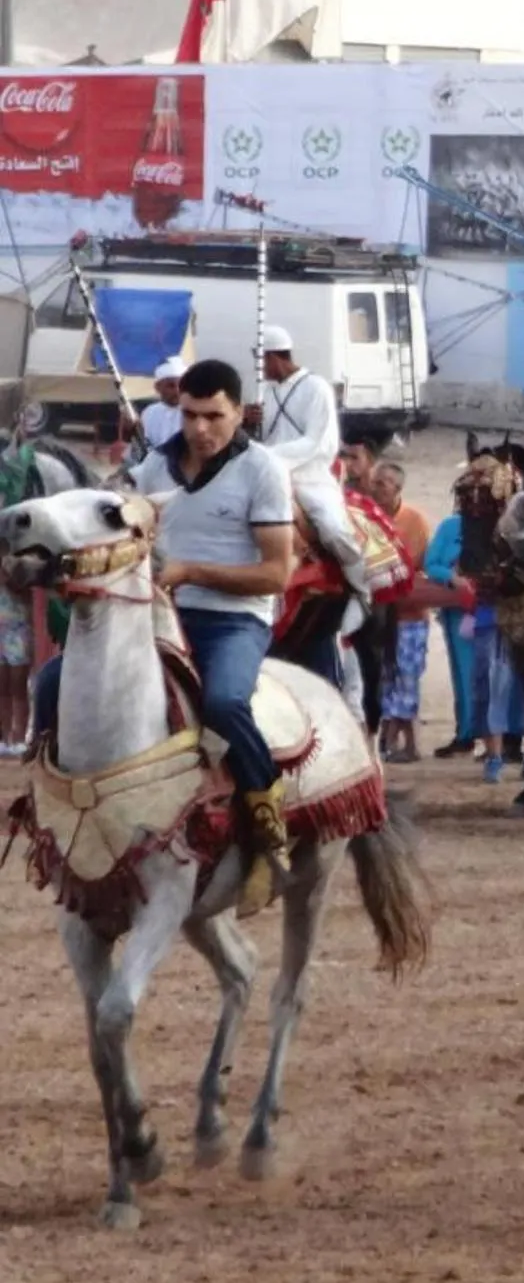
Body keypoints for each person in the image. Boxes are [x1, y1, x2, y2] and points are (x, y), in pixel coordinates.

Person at [35, 360, 299, 914]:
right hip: (156, 612)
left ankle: (265, 819)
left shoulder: (263, 470)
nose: (200, 429)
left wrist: (189, 571)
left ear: (238, 412)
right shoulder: (153, 465)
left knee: (226, 702)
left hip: (233, 617)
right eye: (190, 414)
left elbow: (277, 574)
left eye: (213, 416)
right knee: (52, 680)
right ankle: (50, 805)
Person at [256, 323, 370, 654]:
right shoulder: (267, 392)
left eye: (261, 360)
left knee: (332, 529)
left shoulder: (316, 387)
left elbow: (318, 442)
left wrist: (267, 455)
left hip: (310, 476)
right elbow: (265, 440)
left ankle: (361, 591)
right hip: (272, 474)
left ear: (275, 357)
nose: (259, 368)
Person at [371, 461, 432, 763]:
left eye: (383, 483)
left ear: (398, 488)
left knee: (407, 677)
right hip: (379, 612)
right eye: (376, 482)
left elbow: (420, 566)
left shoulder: (415, 520)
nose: (376, 487)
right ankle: (401, 742)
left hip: (409, 613)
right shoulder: (368, 516)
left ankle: (401, 742)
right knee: (385, 677)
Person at [421, 507, 478, 758]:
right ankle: (465, 733)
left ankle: (506, 741)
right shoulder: (450, 526)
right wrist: (452, 578)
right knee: (464, 674)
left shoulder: (506, 522)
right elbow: (430, 563)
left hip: (496, 610)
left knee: (501, 676)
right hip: (458, 611)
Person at [140, 357, 185, 453]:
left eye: (181, 385)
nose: (177, 391)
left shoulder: (193, 412)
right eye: (171, 386)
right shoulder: (149, 413)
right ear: (157, 387)